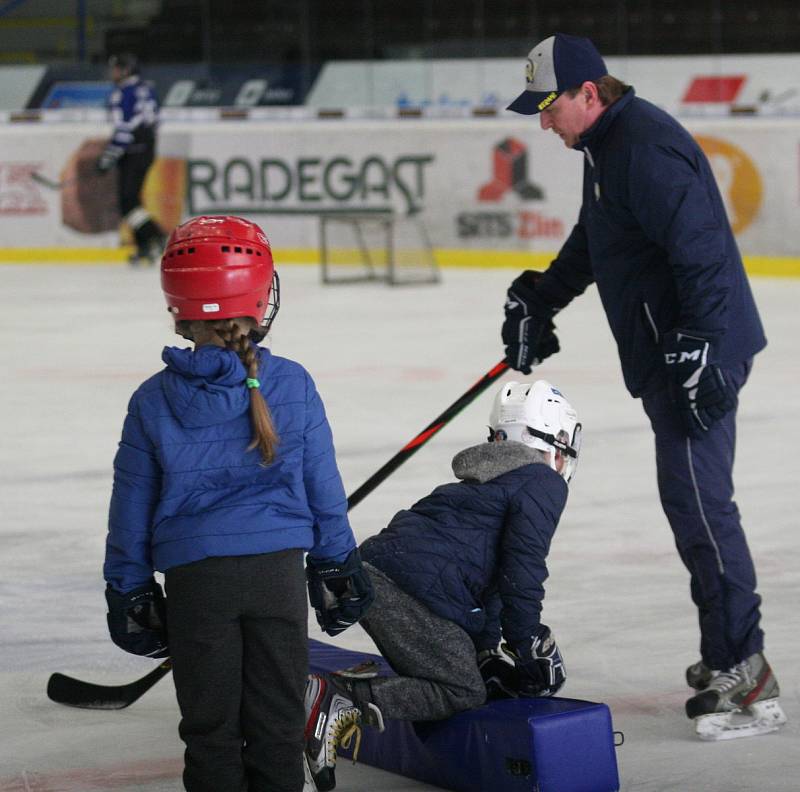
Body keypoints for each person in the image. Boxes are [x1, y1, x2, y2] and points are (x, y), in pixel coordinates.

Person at [502, 33, 786, 741]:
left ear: (588, 93)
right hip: (675, 351)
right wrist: (544, 296)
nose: (543, 122)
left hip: (696, 357)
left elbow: (703, 252)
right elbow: (600, 238)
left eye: (549, 107)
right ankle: (726, 650)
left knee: (700, 507)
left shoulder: (643, 149)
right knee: (689, 503)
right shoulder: (606, 147)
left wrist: (699, 349)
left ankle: (743, 668)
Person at [102, 215, 373, 792]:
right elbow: (324, 488)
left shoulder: (151, 400)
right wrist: (337, 564)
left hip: (198, 587)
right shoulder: (292, 382)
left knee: (210, 731)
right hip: (277, 579)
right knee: (277, 726)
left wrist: (128, 587)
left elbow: (129, 509)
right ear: (258, 294)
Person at [304, 379, 581, 792]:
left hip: (372, 576)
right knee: (460, 689)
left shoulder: (484, 481)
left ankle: (310, 701)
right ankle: (338, 700)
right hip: (411, 589)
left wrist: (486, 651)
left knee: (465, 673)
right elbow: (521, 571)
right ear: (558, 440)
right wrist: (527, 643)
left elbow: (482, 578)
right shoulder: (542, 481)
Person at [97, 53, 166, 267]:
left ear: (125, 70)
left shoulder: (123, 94)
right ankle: (145, 246)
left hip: (133, 152)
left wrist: (108, 157)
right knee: (131, 200)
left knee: (128, 202)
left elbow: (124, 129)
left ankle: (155, 235)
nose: (112, 73)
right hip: (146, 150)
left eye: (116, 68)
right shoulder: (147, 89)